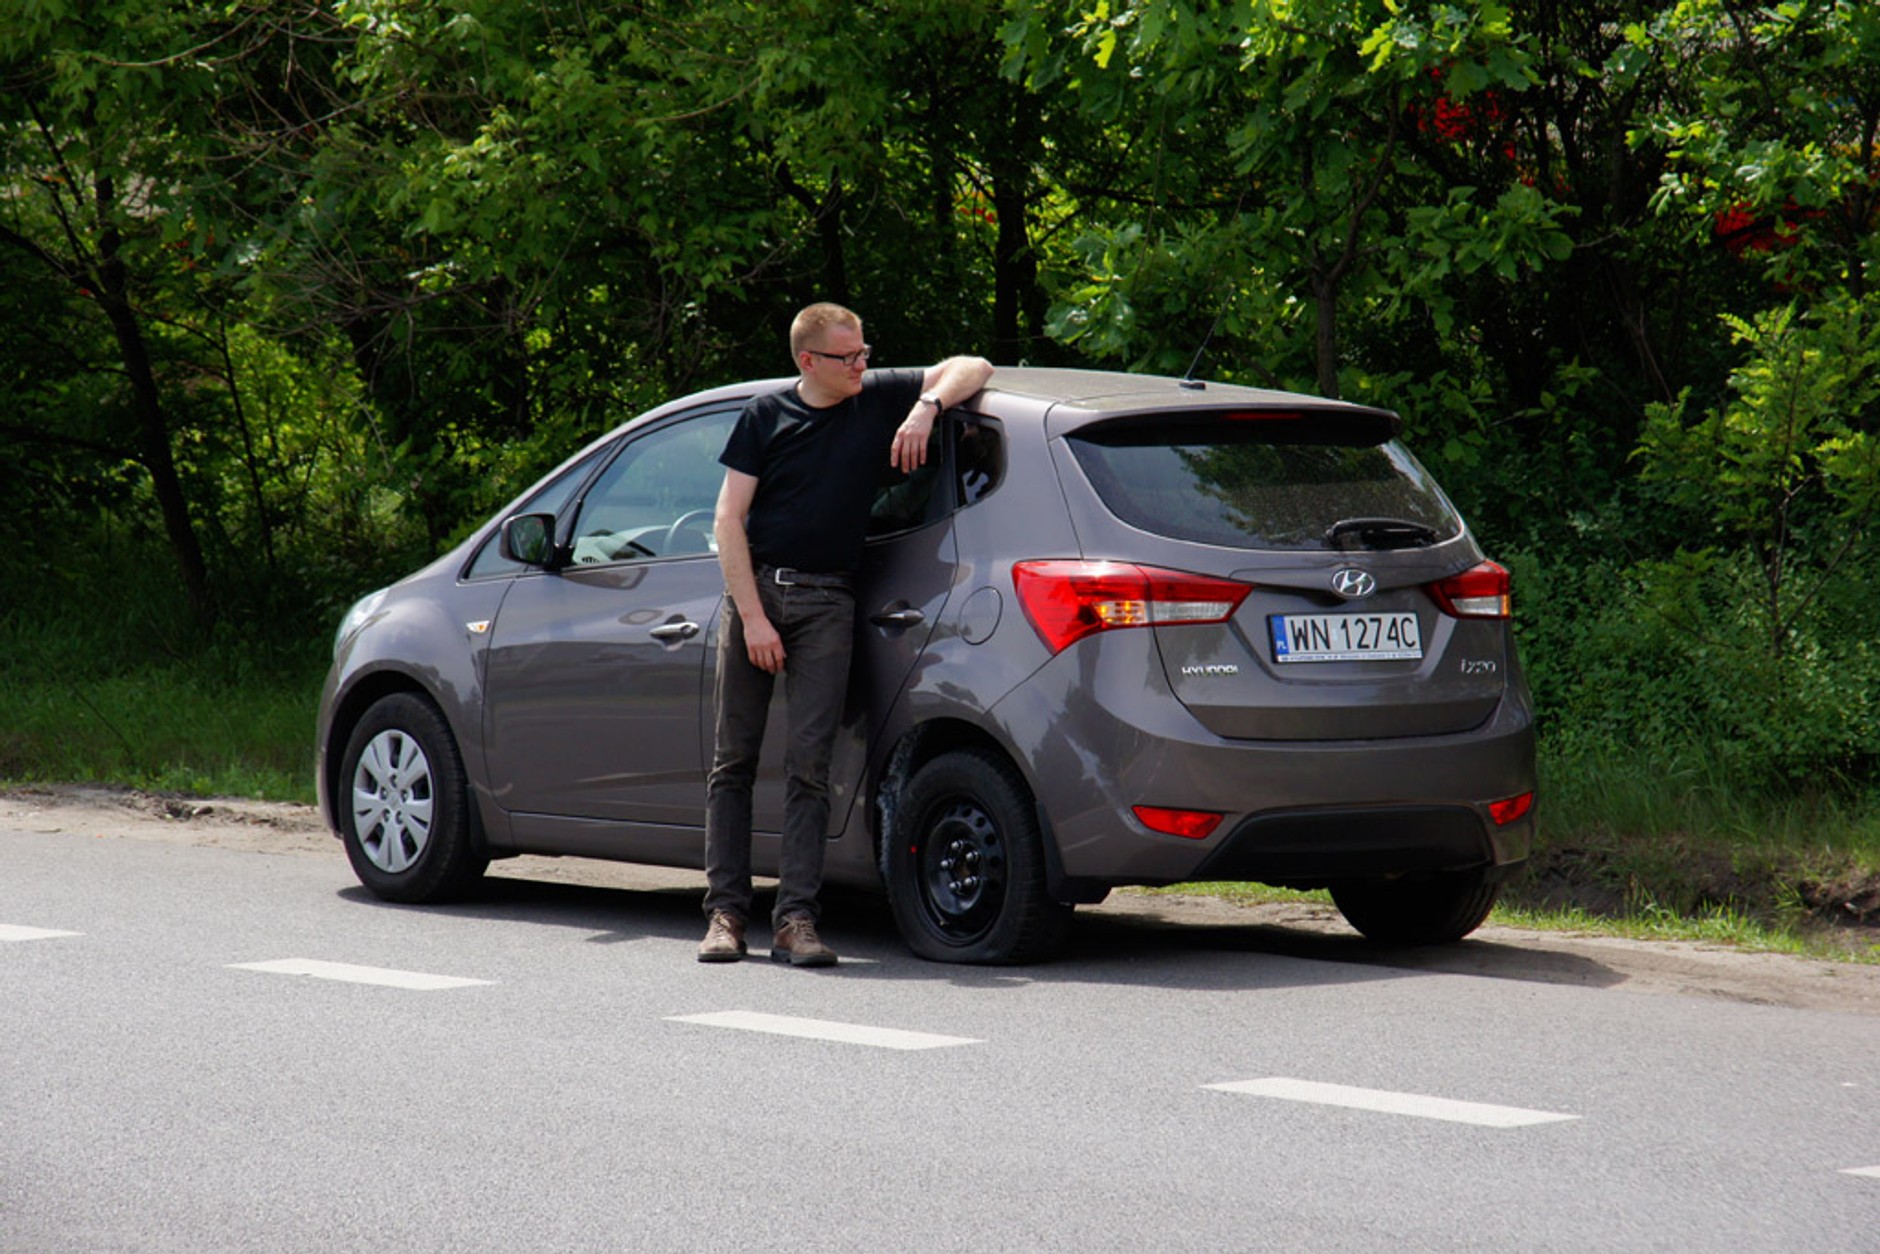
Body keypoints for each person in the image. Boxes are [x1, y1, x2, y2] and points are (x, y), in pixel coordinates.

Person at [698, 303, 995, 966]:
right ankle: (725, 916)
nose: (863, 362)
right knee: (733, 763)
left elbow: (973, 366)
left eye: (865, 351)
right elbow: (728, 520)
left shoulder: (876, 398)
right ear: (809, 362)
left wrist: (925, 409)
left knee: (811, 769)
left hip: (828, 601)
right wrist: (751, 618)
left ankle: (795, 921)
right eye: (848, 356)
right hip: (757, 594)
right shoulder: (765, 418)